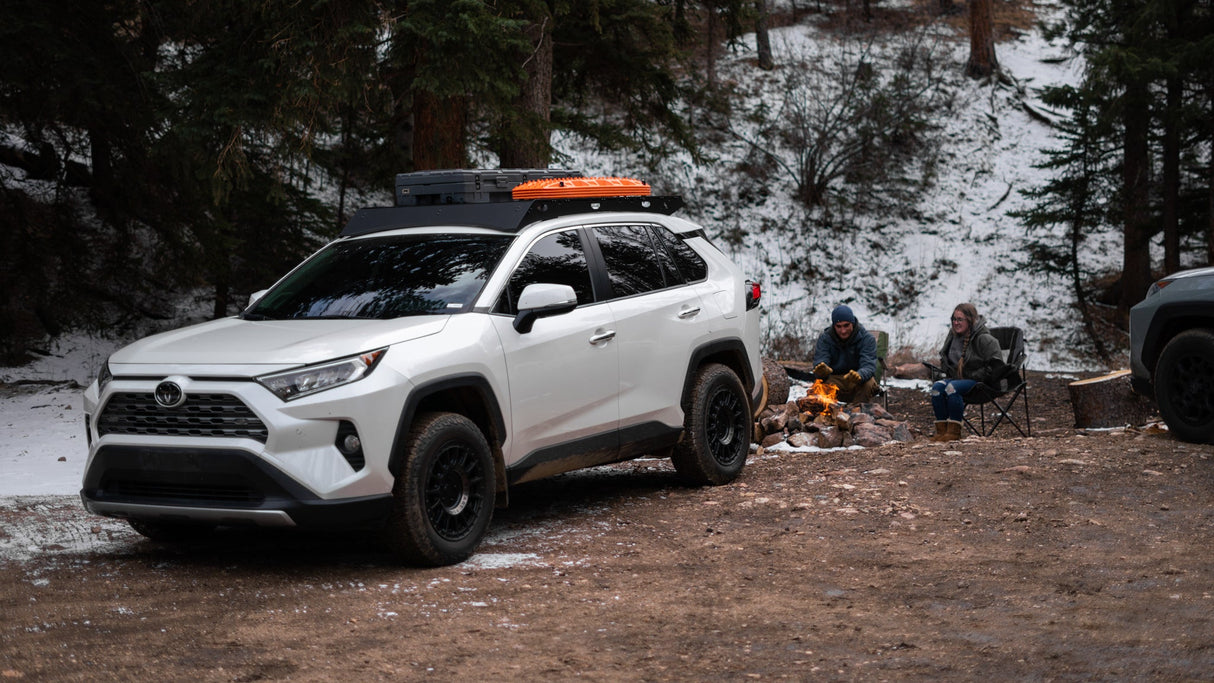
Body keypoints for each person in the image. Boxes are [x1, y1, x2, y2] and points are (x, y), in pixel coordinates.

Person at [928, 303, 1004, 441]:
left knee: (952, 388)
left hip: (981, 384)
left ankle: (953, 433)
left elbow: (996, 366)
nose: (956, 323)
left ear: (970, 320)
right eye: (954, 319)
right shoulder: (952, 336)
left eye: (960, 319)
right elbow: (946, 360)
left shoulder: (984, 339)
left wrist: (972, 376)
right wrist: (942, 373)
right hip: (958, 379)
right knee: (937, 388)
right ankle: (942, 432)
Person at [812, 305, 879, 403]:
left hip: (857, 382)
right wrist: (821, 370)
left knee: (869, 383)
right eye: (838, 326)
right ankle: (827, 414)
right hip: (835, 381)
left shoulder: (867, 339)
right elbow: (820, 359)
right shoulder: (825, 338)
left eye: (846, 325)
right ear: (834, 325)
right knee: (819, 386)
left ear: (852, 323)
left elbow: (869, 365)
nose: (843, 331)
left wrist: (859, 375)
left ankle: (859, 413)